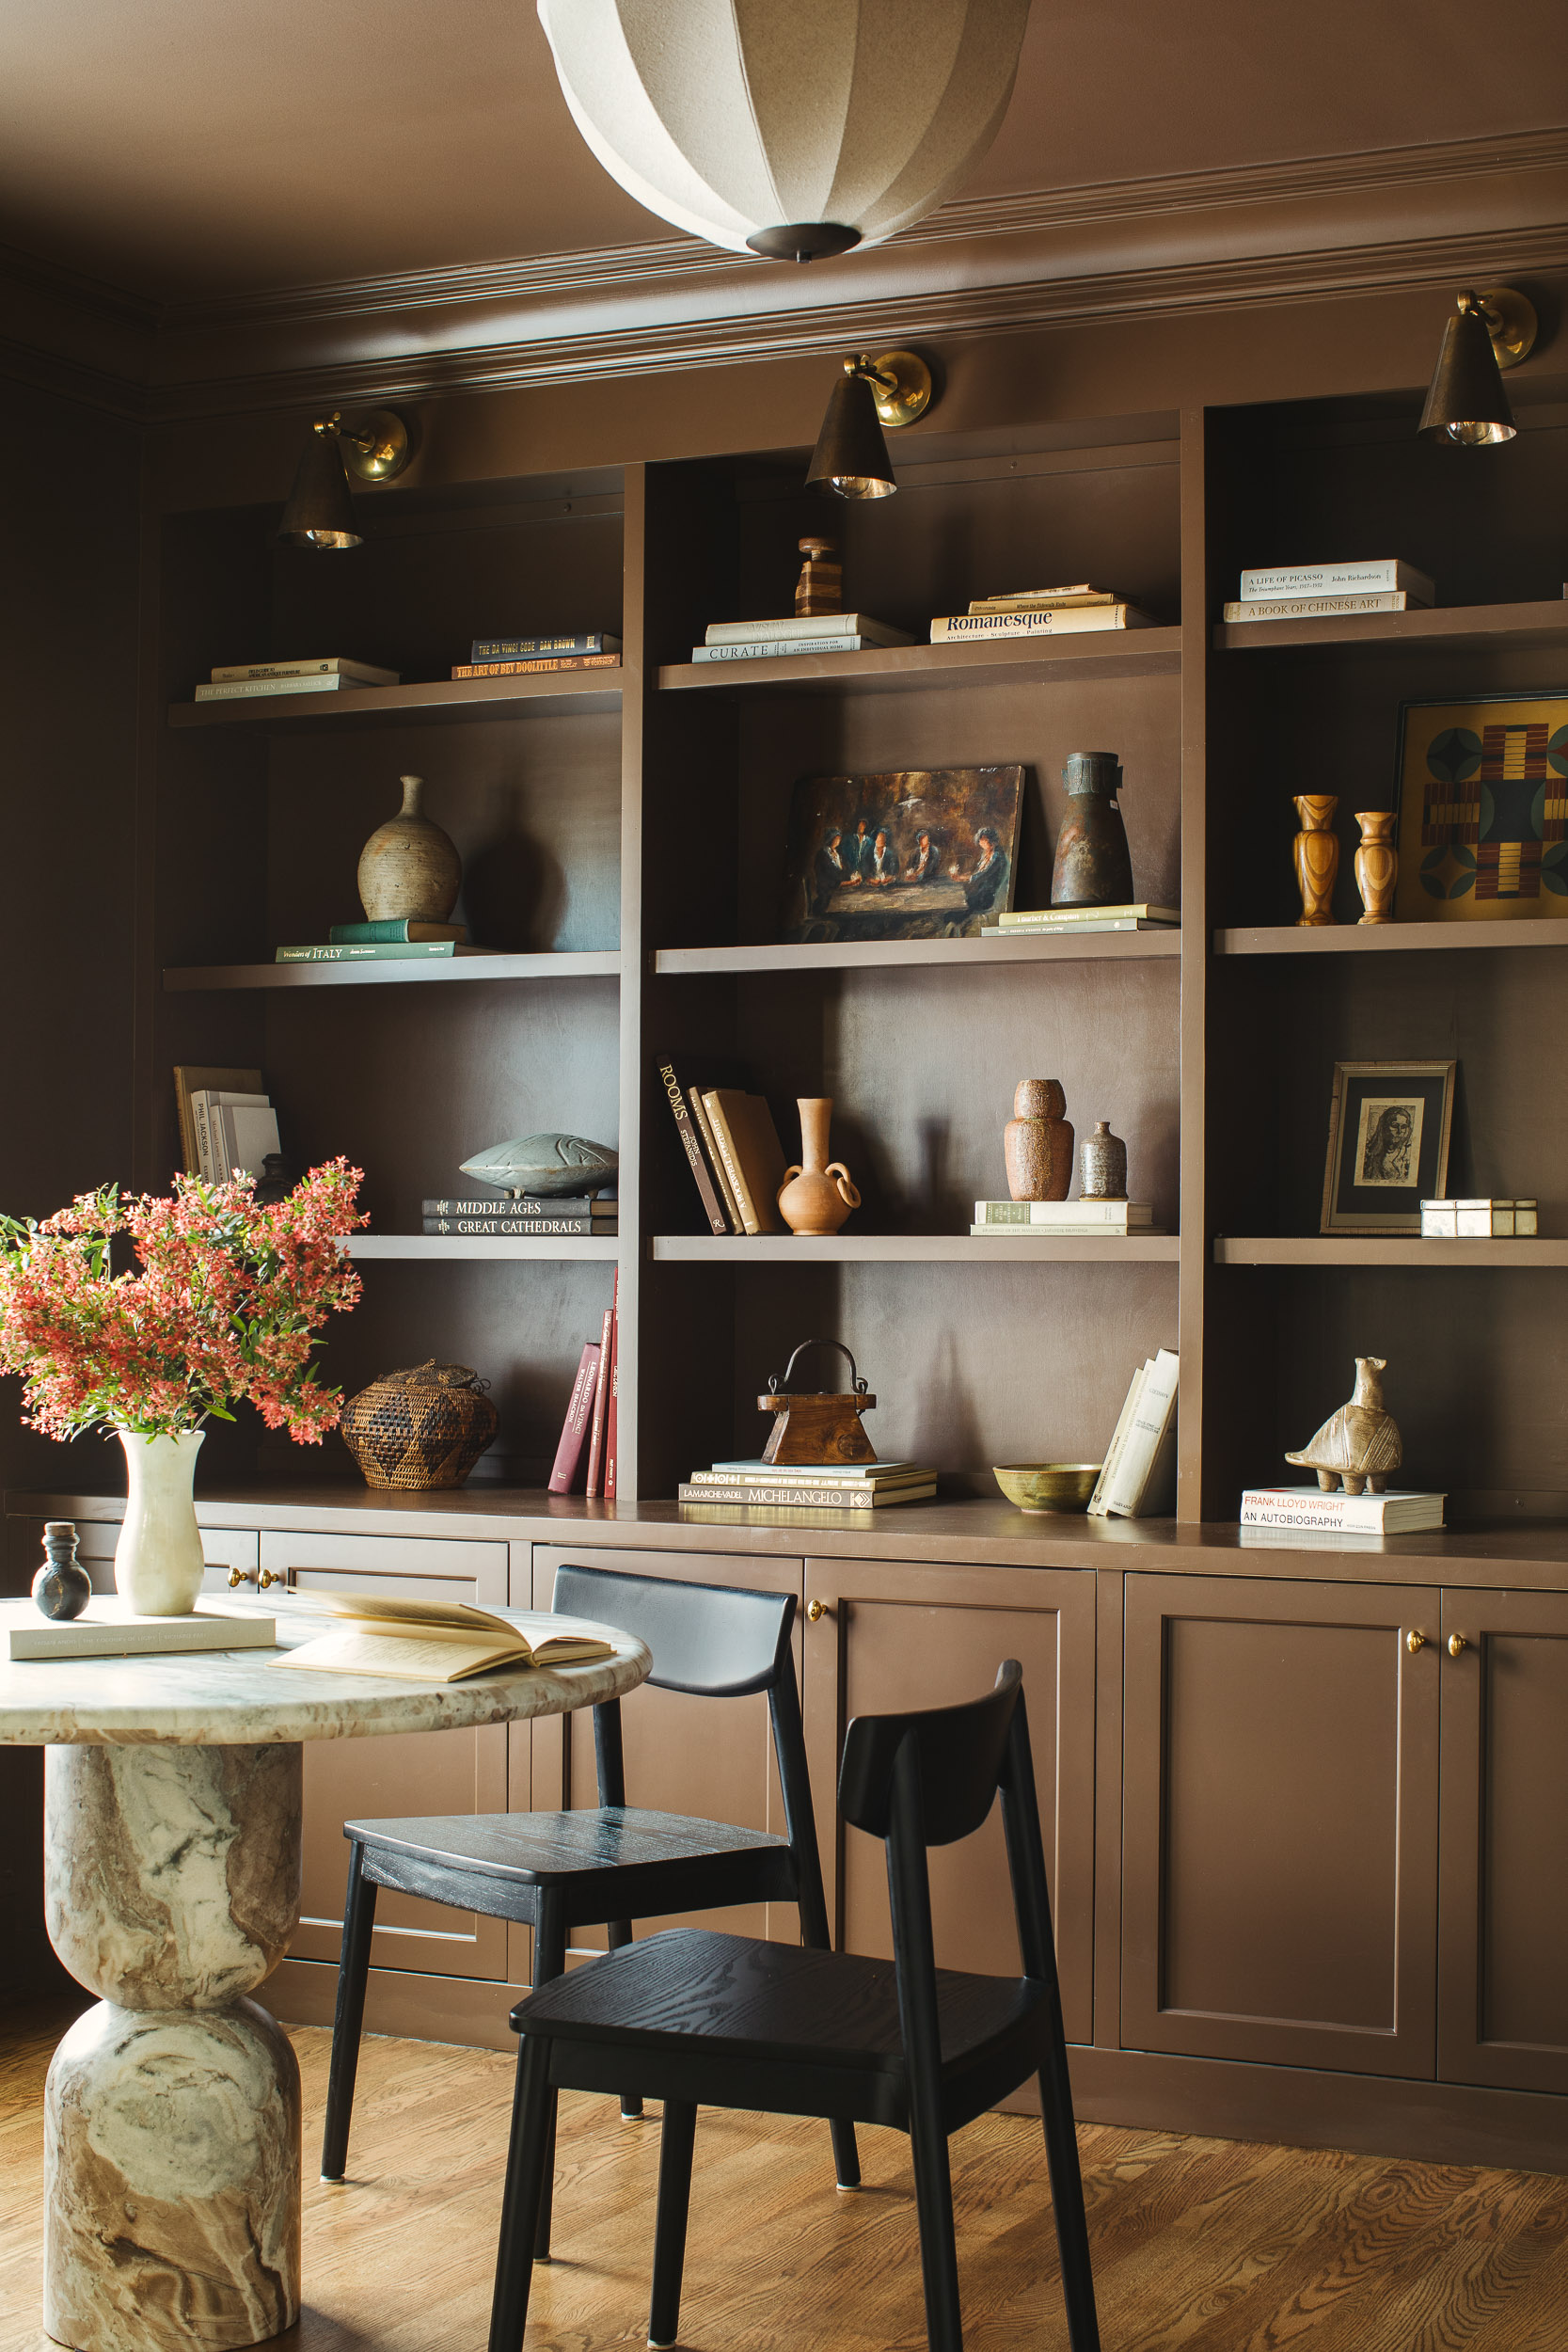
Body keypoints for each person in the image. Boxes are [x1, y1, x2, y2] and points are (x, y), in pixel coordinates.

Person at [953, 825, 1010, 917]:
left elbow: (983, 875)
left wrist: (962, 878)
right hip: (979, 891)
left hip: (986, 898)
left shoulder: (998, 857)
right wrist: (962, 876)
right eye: (980, 840)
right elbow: (977, 872)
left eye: (984, 840)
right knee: (956, 897)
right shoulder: (986, 853)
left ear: (992, 841)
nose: (981, 843)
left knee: (957, 905)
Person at [1361, 1103, 1415, 1184]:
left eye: (1403, 1127)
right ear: (1384, 1126)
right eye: (1395, 1125)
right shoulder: (1368, 1152)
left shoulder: (1407, 1153)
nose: (1399, 1131)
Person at [810, 826, 848, 915]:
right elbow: (830, 876)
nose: (838, 841)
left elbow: (843, 872)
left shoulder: (837, 854)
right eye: (836, 839)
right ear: (830, 839)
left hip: (836, 891)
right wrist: (846, 883)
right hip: (826, 893)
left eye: (839, 839)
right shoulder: (823, 855)